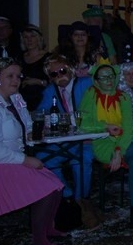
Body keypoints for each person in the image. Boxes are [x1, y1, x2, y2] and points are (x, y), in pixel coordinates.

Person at [0, 57, 66, 245]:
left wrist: (38, 132)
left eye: (18, 76)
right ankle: (39, 242)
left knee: (56, 184)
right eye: (10, 76)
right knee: (47, 189)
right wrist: (25, 160)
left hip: (12, 160)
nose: (16, 80)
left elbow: (27, 126)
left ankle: (47, 228)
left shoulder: (15, 99)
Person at [79, 64, 133, 229]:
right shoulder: (91, 94)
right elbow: (83, 123)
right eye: (104, 77)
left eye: (111, 76)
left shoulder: (123, 97)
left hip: (126, 141)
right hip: (103, 143)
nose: (109, 80)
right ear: (96, 81)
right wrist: (105, 127)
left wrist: (119, 150)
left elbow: (128, 128)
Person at [37, 54, 100, 229]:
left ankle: (82, 200)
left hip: (88, 138)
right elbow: (41, 113)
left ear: (70, 69)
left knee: (82, 161)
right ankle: (68, 195)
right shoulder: (50, 91)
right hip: (65, 140)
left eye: (63, 70)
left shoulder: (87, 84)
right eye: (54, 74)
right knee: (42, 160)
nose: (60, 76)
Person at [19, 24, 50, 111]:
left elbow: (56, 81)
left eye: (32, 36)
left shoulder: (49, 58)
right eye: (26, 37)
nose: (29, 40)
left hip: (42, 100)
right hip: (22, 102)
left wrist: (38, 82)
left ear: (39, 38)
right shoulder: (19, 58)